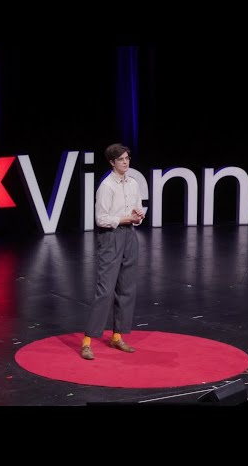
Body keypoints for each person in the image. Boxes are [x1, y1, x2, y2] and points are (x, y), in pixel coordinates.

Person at [81, 143, 145, 360]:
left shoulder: (133, 183)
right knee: (106, 290)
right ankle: (87, 341)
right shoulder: (107, 186)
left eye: (127, 158)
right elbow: (101, 219)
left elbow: (136, 210)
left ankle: (117, 336)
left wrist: (138, 215)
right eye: (121, 159)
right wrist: (127, 218)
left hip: (129, 236)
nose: (125, 162)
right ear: (112, 162)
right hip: (110, 237)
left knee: (126, 288)